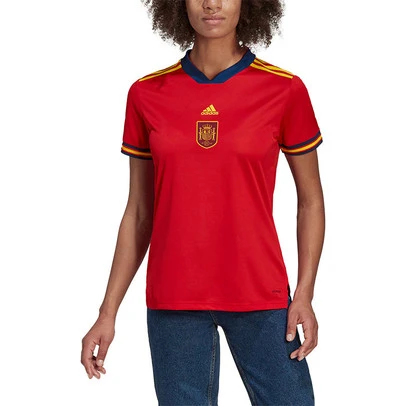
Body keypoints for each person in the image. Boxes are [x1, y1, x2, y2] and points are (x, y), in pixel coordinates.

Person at [81, 0, 325, 405]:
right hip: (173, 298)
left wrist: (304, 293)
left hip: (259, 293)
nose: (212, 3)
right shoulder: (146, 93)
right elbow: (139, 212)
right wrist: (107, 312)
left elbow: (310, 201)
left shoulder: (284, 89)